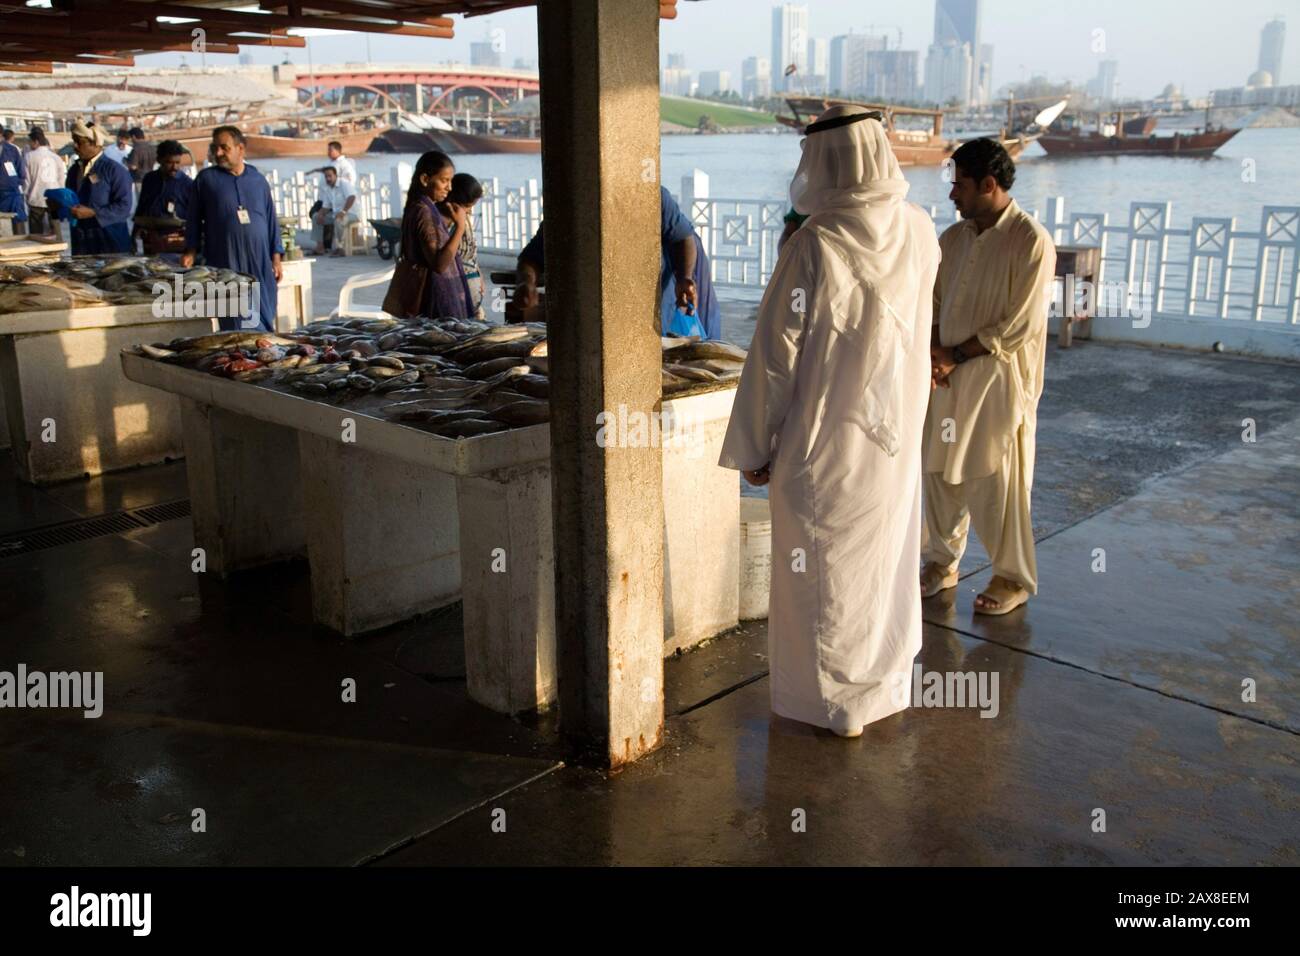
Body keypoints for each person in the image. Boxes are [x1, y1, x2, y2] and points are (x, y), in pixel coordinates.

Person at [718, 105, 941, 738]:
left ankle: (833, 707)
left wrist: (755, 445)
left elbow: (774, 358)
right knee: (878, 565)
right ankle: (882, 688)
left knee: (822, 579)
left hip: (823, 450)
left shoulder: (815, 244)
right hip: (892, 444)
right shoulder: (921, 231)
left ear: (824, 162)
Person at [920, 137, 1057, 615]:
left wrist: (954, 353)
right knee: (938, 473)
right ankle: (942, 561)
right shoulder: (952, 240)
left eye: (959, 185)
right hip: (947, 377)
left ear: (989, 184)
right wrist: (937, 351)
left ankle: (1011, 576)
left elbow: (1017, 327)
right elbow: (933, 302)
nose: (952, 195)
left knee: (996, 480)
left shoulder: (1031, 241)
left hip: (997, 383)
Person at [512, 185, 721, 338]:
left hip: (652, 305)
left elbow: (684, 237)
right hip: (596, 314)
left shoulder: (649, 195)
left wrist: (685, 277)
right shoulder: (568, 205)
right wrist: (527, 283)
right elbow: (531, 258)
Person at [181, 126, 284, 332]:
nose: (218, 153)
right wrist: (190, 251)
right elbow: (193, 219)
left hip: (259, 262)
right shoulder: (206, 179)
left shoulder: (258, 180)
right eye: (215, 148)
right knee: (235, 319)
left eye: (224, 148)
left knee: (263, 315)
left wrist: (276, 257)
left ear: (240, 148)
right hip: (226, 260)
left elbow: (271, 219)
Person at [384, 150, 473, 319]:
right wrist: (460, 226)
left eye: (450, 181)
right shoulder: (423, 211)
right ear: (425, 179)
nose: (450, 187)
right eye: (444, 180)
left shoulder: (420, 207)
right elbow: (439, 264)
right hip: (430, 301)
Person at [64, 120, 134, 254]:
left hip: (109, 240)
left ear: (95, 144)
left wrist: (93, 212)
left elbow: (124, 207)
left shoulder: (115, 171)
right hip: (82, 242)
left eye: (80, 142)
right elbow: (70, 199)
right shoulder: (74, 170)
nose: (75, 146)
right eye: (74, 141)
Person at [134, 140, 196, 255]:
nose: (175, 167)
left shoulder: (188, 184)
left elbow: (194, 218)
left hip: (176, 245)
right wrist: (134, 236)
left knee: (178, 273)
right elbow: (141, 208)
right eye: (169, 162)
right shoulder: (149, 180)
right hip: (151, 243)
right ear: (159, 160)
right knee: (153, 272)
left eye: (177, 162)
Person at [442, 173, 485, 319]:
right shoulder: (446, 224)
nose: (469, 211)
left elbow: (471, 251)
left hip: (473, 294)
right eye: (467, 206)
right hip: (456, 294)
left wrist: (479, 275)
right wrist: (459, 226)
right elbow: (445, 260)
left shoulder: (465, 218)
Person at [22, 129, 65, 236]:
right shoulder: (56, 157)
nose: (29, 144)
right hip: (54, 198)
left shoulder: (29, 157)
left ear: (36, 142)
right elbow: (61, 179)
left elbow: (26, 179)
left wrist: (26, 194)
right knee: (55, 227)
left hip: (36, 197)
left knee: (36, 231)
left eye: (30, 142)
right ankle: (57, 247)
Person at [309, 166, 358, 256]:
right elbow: (326, 207)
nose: (328, 178)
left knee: (339, 220)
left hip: (350, 214)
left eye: (330, 176)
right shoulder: (328, 188)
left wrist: (343, 212)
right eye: (326, 176)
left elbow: (352, 197)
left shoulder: (344, 183)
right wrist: (320, 214)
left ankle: (340, 248)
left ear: (335, 175)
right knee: (316, 217)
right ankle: (320, 247)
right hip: (335, 214)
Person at [0, 128, 27, 234]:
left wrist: (14, 183)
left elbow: (21, 172)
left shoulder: (12, 150)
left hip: (11, 193)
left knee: (18, 225)